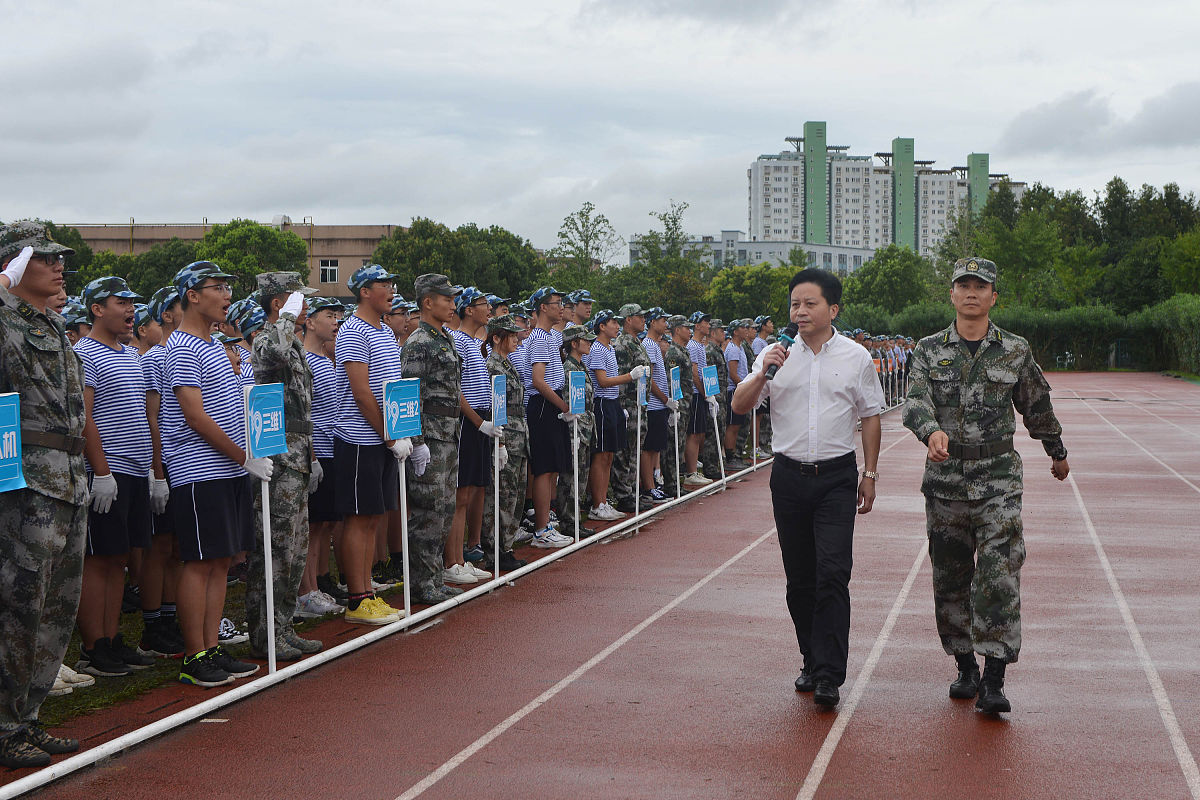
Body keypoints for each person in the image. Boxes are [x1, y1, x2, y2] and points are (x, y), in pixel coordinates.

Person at [902, 257, 1070, 714]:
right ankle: (965, 666)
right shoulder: (928, 349)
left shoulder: (1014, 349)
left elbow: (1036, 404)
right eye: (964, 285)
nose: (972, 292)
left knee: (999, 575)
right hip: (946, 484)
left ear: (994, 297)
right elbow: (915, 401)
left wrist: (1056, 450)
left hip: (998, 481)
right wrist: (930, 431)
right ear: (952, 295)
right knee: (950, 577)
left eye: (981, 286)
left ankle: (994, 677)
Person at [732, 268, 883, 710]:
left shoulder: (856, 357)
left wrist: (870, 473)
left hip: (836, 478)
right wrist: (764, 374)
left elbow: (870, 415)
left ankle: (830, 674)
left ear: (832, 309)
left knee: (832, 573)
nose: (800, 311)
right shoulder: (774, 356)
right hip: (788, 478)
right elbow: (739, 405)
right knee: (800, 580)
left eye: (810, 303)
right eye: (795, 303)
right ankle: (811, 658)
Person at [0, 223, 89, 767]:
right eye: (45, 258)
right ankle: (5, 725)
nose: (58, 267)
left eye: (60, 259)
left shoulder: (52, 323)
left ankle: (27, 716)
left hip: (68, 478)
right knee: (20, 606)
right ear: (14, 263)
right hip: (26, 482)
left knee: (57, 607)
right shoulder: (4, 319)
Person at [161, 261, 265, 687]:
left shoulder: (213, 345)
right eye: (217, 288)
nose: (226, 296)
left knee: (221, 560)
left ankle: (211, 646)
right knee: (200, 561)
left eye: (227, 288)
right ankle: (194, 655)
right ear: (192, 295)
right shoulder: (183, 346)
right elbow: (194, 416)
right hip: (199, 470)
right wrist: (243, 457)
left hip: (227, 469)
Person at [73, 277, 158, 678]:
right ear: (96, 309)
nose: (130, 310)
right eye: (120, 302)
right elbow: (84, 415)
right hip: (108, 470)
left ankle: (110, 637)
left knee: (119, 558)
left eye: (132, 303)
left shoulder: (130, 354)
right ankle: (94, 647)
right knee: (99, 559)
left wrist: (152, 472)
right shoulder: (84, 353)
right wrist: (102, 471)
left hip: (134, 470)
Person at [245, 272, 323, 662]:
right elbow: (272, 354)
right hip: (277, 458)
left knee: (294, 549)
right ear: (279, 303)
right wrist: (286, 318)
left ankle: (283, 627)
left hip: (298, 455)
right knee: (274, 550)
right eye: (298, 300)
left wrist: (313, 456)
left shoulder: (291, 341)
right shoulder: (267, 338)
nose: (306, 306)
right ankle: (266, 634)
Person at [333, 264, 410, 622]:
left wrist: (401, 432)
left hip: (381, 439)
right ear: (364, 291)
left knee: (373, 517)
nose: (391, 290)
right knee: (359, 518)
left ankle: (367, 593)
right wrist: (390, 436)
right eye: (384, 284)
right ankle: (356, 599)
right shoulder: (353, 331)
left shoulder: (383, 331)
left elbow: (391, 389)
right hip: (359, 438)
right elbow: (361, 393)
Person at [402, 273, 467, 603]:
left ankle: (434, 577)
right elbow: (410, 394)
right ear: (428, 302)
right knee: (428, 511)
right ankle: (421, 583)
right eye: (447, 299)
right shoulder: (418, 342)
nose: (453, 305)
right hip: (430, 434)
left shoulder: (444, 338)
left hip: (448, 433)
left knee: (444, 509)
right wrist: (417, 442)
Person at [138, 287, 185, 658]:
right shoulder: (156, 356)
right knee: (160, 546)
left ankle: (170, 617)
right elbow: (152, 418)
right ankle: (153, 624)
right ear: (167, 315)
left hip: (185, 461)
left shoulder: (185, 350)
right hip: (165, 459)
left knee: (177, 548)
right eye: (178, 305)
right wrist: (157, 472)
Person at [299, 297, 348, 615]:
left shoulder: (327, 360)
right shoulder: (305, 361)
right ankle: (306, 590)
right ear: (310, 322)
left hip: (333, 448)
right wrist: (313, 457)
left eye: (337, 316)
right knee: (312, 524)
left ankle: (318, 582)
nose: (335, 322)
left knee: (326, 523)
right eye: (329, 316)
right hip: (316, 451)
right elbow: (305, 415)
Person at [446, 287, 497, 584]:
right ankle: (452, 561)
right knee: (460, 494)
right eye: (483, 304)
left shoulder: (476, 343)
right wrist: (478, 423)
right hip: (468, 422)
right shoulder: (459, 341)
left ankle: (461, 558)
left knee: (471, 492)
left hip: (480, 420)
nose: (488, 309)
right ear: (468, 310)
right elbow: (457, 390)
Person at [522, 286, 575, 547]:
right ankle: (541, 530)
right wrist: (563, 406)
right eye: (557, 303)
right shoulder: (540, 339)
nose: (561, 307)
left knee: (552, 467)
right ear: (543, 307)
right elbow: (538, 380)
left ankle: (547, 525)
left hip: (551, 403)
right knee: (543, 469)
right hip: (544, 405)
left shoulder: (549, 336)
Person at [584, 309, 645, 520]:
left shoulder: (609, 348)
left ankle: (603, 501)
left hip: (612, 402)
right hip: (602, 403)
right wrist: (630, 376)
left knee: (609, 455)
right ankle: (597, 504)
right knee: (601, 455)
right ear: (601, 326)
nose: (617, 326)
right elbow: (602, 381)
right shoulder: (597, 348)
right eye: (613, 323)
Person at [481, 314, 528, 572]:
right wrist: (499, 444)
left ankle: (506, 546)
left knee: (514, 494)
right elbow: (495, 407)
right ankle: (495, 550)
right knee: (501, 495)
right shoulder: (493, 366)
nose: (516, 340)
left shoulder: (507, 364)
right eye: (511, 336)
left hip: (518, 434)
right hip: (505, 435)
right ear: (497, 338)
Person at [556, 323, 597, 534]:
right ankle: (569, 522)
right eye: (585, 340)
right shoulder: (570, 369)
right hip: (575, 428)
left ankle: (575, 519)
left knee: (581, 475)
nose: (589, 343)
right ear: (574, 343)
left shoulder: (580, 366)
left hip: (585, 428)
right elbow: (570, 404)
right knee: (571, 477)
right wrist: (574, 432)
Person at [610, 304, 650, 513]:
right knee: (625, 452)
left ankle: (632, 491)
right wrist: (623, 405)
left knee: (635, 450)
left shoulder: (636, 342)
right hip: (629, 404)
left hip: (640, 403)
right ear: (628, 319)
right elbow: (622, 377)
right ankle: (623, 494)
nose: (643, 320)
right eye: (638, 316)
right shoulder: (622, 344)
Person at [640, 308, 673, 505]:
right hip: (653, 405)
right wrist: (664, 399)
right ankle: (649, 487)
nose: (665, 324)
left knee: (655, 447)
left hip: (659, 405)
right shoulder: (649, 345)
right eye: (662, 320)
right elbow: (649, 379)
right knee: (649, 447)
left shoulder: (654, 344)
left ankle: (653, 484)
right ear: (652, 322)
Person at [661, 315, 694, 498]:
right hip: (677, 404)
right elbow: (671, 380)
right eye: (686, 328)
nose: (689, 331)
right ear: (678, 330)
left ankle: (676, 481)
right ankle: (671, 483)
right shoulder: (673, 353)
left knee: (680, 443)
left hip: (685, 403)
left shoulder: (683, 350)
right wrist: (673, 405)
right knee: (673, 444)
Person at [701, 319, 729, 481]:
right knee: (713, 432)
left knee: (720, 430)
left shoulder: (717, 350)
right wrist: (711, 397)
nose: (724, 333)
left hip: (721, 396)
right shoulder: (710, 351)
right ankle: (710, 466)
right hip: (715, 396)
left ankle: (715, 463)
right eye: (721, 330)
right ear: (713, 333)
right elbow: (709, 376)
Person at [723, 319, 750, 467]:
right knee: (732, 425)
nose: (746, 330)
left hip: (738, 388)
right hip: (735, 390)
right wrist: (744, 387)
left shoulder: (739, 348)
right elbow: (733, 373)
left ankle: (735, 455)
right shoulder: (733, 349)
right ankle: (730, 458)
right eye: (742, 327)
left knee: (737, 424)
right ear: (735, 331)